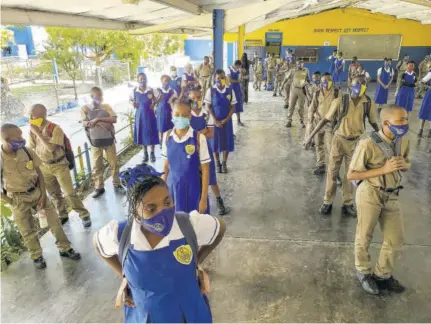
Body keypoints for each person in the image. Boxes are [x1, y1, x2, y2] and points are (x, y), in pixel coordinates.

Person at [94, 164, 226, 323]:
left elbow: (220, 228)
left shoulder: (188, 225)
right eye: (151, 208)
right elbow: (98, 244)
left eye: (167, 202)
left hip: (188, 314)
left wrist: (196, 262)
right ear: (136, 212)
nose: (162, 212)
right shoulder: (121, 234)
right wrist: (125, 275)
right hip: (147, 316)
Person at [347, 105, 410, 295]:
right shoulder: (368, 143)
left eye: (406, 119)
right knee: (364, 235)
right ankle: (363, 271)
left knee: (395, 238)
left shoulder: (403, 139)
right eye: (401, 120)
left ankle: (383, 274)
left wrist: (404, 164)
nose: (405, 123)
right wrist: (383, 170)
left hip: (392, 194)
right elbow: (351, 174)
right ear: (386, 123)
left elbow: (407, 162)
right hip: (370, 193)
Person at [0, 124, 81, 269]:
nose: (22, 139)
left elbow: (39, 173)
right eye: (18, 137)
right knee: (27, 230)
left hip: (37, 192)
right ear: (6, 139)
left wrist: (43, 194)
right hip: (17, 199)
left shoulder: (27, 151)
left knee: (55, 223)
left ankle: (65, 248)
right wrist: (10, 201)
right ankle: (36, 256)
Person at [304, 75, 379, 217]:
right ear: (350, 84)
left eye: (363, 84)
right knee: (332, 172)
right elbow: (325, 120)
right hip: (339, 140)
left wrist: (383, 138)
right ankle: (327, 202)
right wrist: (310, 137)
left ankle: (348, 203)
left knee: (350, 174)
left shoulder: (368, 103)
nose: (360, 86)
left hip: (355, 142)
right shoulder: (340, 101)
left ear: (366, 86)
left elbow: (374, 122)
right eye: (357, 83)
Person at [29, 104, 91, 227]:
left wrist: (39, 134)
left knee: (69, 193)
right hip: (44, 166)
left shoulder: (55, 128)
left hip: (59, 165)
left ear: (44, 114)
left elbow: (51, 148)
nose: (31, 118)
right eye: (30, 115)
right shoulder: (33, 129)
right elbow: (32, 147)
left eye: (34, 115)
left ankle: (83, 214)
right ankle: (63, 214)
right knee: (54, 194)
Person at [162, 99, 210, 214]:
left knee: (195, 224)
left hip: (194, 190)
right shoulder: (167, 136)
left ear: (190, 115)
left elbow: (205, 170)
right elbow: (165, 167)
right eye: (177, 114)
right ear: (172, 114)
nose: (180, 118)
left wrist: (203, 198)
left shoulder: (198, 138)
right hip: (173, 189)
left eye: (184, 115)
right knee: (176, 224)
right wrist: (162, 194)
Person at [189, 88, 229, 215]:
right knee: (194, 179)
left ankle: (219, 201)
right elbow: (187, 133)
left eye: (198, 97)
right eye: (193, 98)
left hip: (206, 151)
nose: (196, 100)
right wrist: (202, 132)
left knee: (211, 178)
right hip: (190, 152)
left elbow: (211, 133)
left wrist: (196, 135)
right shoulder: (186, 115)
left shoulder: (206, 114)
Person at [82, 87, 125, 198]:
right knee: (97, 165)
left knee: (114, 163)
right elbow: (85, 123)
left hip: (108, 139)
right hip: (95, 141)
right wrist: (101, 122)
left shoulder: (106, 107)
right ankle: (99, 187)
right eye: (98, 96)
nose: (100, 98)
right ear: (91, 97)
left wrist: (97, 120)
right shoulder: (86, 108)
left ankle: (117, 184)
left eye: (101, 95)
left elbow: (114, 119)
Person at [306, 73, 338, 175]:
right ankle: (321, 165)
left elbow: (341, 110)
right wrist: (310, 121)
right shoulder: (317, 93)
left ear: (332, 81)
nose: (326, 83)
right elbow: (312, 108)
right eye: (324, 81)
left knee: (330, 147)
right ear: (321, 82)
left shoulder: (337, 93)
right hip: (317, 122)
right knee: (318, 145)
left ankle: (334, 172)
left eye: (329, 80)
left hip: (330, 124)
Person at [205, 69, 237, 173]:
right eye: (218, 78)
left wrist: (226, 119)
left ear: (225, 78)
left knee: (226, 142)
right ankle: (217, 162)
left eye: (222, 78)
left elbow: (233, 107)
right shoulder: (211, 91)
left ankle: (224, 163)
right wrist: (214, 120)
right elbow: (208, 107)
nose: (220, 80)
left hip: (227, 122)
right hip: (215, 122)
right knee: (215, 143)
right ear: (215, 79)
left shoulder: (230, 91)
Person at [130, 73, 160, 163]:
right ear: (137, 80)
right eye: (140, 79)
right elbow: (130, 100)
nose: (142, 80)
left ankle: (152, 153)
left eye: (144, 79)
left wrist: (154, 103)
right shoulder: (134, 90)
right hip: (140, 116)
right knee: (142, 134)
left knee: (151, 134)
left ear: (146, 80)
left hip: (150, 115)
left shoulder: (151, 89)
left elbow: (160, 96)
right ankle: (145, 153)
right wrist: (132, 103)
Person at [285, 59, 310, 128]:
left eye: (301, 63)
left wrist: (307, 86)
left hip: (302, 90)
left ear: (303, 64)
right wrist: (282, 86)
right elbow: (286, 78)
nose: (300, 65)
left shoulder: (306, 70)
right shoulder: (292, 70)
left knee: (301, 107)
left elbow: (308, 79)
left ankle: (302, 121)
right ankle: (289, 120)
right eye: (298, 63)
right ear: (296, 64)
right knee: (291, 105)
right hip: (294, 90)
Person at [155, 75, 177, 143]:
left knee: (170, 128)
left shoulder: (172, 90)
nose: (166, 82)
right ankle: (161, 142)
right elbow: (154, 100)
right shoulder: (158, 90)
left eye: (168, 81)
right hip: (161, 112)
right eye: (165, 81)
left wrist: (172, 98)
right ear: (161, 81)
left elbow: (176, 97)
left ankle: (169, 142)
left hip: (170, 111)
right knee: (161, 129)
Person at [228, 60, 245, 126]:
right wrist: (238, 81)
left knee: (237, 103)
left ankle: (238, 120)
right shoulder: (229, 69)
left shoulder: (238, 70)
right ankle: (229, 121)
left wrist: (241, 73)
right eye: (238, 66)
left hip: (237, 88)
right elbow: (230, 80)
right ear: (236, 65)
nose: (239, 68)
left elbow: (241, 79)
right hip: (231, 89)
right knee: (230, 105)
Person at [418, 68, 431, 138]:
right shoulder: (430, 73)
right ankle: (421, 129)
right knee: (424, 111)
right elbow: (422, 82)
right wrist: (427, 86)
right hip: (429, 95)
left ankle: (430, 131)